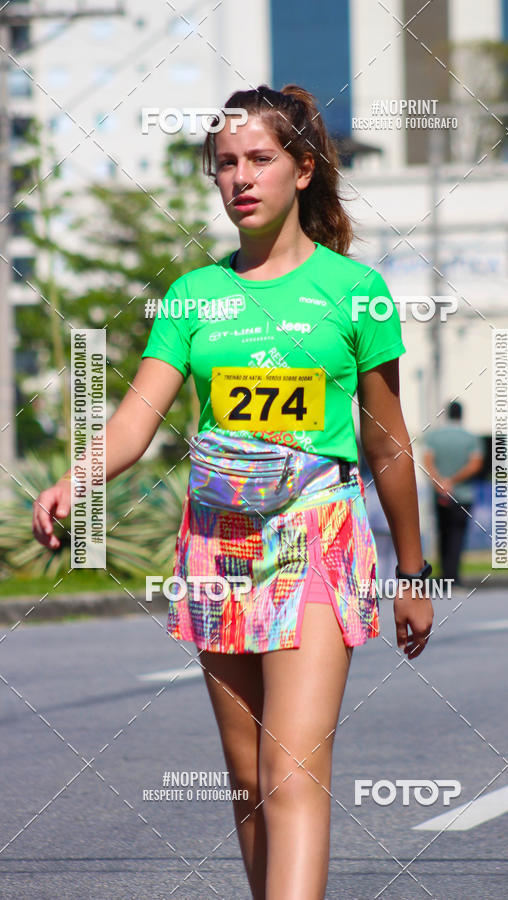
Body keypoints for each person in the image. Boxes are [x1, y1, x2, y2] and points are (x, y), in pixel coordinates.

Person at [32, 84, 433, 900]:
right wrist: (77, 476)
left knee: (292, 772)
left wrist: (414, 570)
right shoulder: (193, 296)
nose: (240, 179)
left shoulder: (353, 291)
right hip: (218, 542)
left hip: (317, 533)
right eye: (225, 165)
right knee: (250, 780)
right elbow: (139, 416)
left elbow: (386, 440)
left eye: (259, 160)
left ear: (303, 171)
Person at [422, 400, 484, 589]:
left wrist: (440, 482)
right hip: (462, 494)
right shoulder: (470, 438)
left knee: (442, 533)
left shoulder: (434, 436)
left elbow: (427, 461)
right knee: (458, 535)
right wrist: (453, 481)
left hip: (439, 494)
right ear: (461, 415)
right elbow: (475, 464)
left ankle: (444, 575)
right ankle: (454, 576)